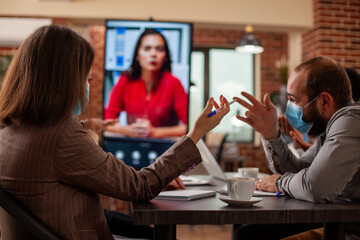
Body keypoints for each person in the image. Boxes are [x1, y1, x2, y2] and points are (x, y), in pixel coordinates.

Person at [0, 25, 230, 240]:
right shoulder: (61, 133)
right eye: (86, 79)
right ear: (64, 81)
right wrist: (198, 131)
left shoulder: (9, 127)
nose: (86, 87)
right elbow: (138, 187)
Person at [232, 56, 360, 239]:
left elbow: (315, 187)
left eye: (294, 100)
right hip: (337, 223)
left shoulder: (351, 121)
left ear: (324, 101)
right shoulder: (329, 128)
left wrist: (277, 182)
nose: (291, 107)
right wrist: (271, 134)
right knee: (248, 233)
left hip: (349, 231)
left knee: (249, 235)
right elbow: (299, 170)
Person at [104, 28, 188, 138]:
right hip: (133, 146)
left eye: (159, 49)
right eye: (147, 48)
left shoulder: (174, 83)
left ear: (165, 56)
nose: (153, 54)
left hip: (166, 149)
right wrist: (128, 130)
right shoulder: (125, 81)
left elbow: (188, 126)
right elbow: (107, 122)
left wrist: (154, 133)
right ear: (137, 55)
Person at [278, 67, 360, 154]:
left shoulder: (346, 129)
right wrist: (301, 143)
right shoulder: (329, 126)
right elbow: (320, 155)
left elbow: (323, 163)